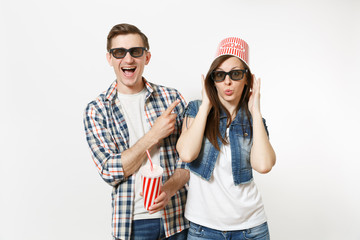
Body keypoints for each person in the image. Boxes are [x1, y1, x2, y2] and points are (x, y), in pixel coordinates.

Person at [83, 23, 189, 240]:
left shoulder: (172, 98)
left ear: (146, 57)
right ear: (110, 59)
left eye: (136, 52)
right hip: (132, 225)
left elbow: (190, 160)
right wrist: (154, 134)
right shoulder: (97, 110)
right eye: (119, 52)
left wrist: (169, 188)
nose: (128, 59)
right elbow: (109, 171)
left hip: (178, 219)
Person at [176, 37, 276, 240]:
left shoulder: (254, 120)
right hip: (203, 229)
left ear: (247, 78)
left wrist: (255, 110)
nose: (227, 81)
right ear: (213, 80)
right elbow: (186, 153)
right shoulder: (196, 109)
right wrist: (206, 105)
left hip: (251, 229)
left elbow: (264, 165)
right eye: (220, 75)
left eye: (236, 74)